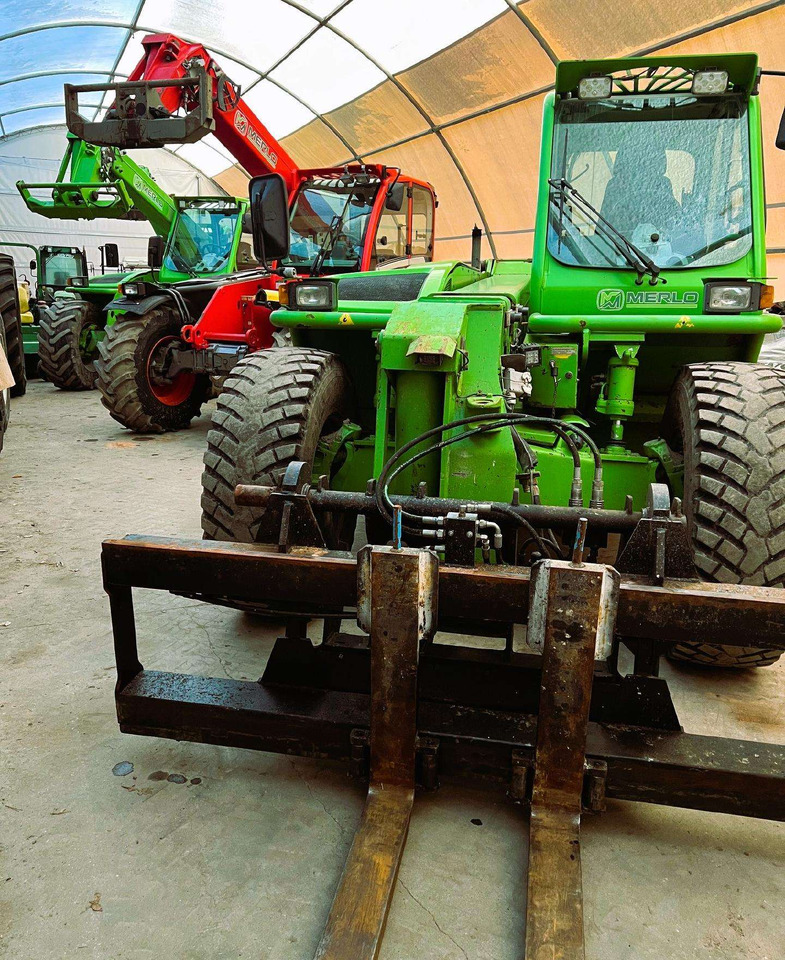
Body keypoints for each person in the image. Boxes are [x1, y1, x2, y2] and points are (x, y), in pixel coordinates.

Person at [601, 144, 682, 240]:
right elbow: (605, 225)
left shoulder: (663, 184)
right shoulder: (616, 185)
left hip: (660, 243)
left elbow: (673, 214)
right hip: (623, 247)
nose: (642, 166)